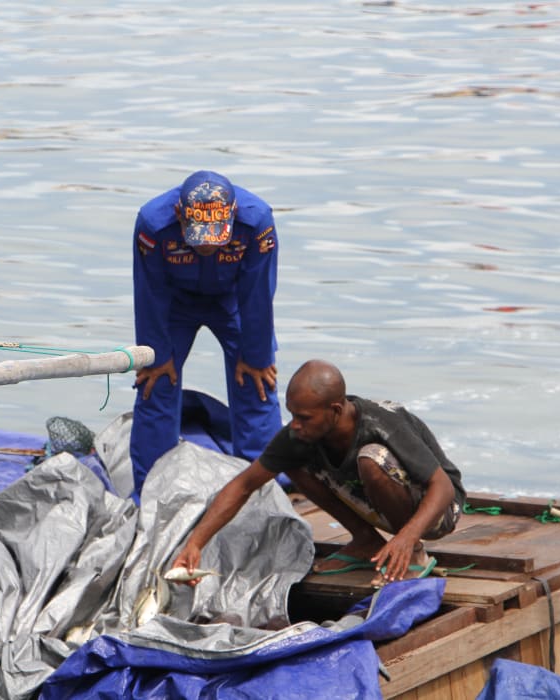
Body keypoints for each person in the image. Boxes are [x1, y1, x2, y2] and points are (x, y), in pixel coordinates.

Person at [172, 359, 465, 587]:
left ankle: (413, 553)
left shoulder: (382, 423)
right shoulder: (301, 433)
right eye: (292, 414)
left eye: (304, 417)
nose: (295, 424)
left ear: (335, 410)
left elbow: (443, 487)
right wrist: (195, 544)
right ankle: (366, 540)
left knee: (371, 459)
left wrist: (406, 537)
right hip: (380, 500)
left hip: (438, 511)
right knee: (293, 460)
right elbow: (243, 485)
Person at [131, 170, 282, 501]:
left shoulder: (258, 222)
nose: (207, 248)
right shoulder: (152, 224)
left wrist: (256, 355)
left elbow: (258, 292)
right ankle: (152, 491)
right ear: (179, 214)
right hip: (174, 304)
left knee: (257, 381)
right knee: (156, 382)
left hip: (233, 300)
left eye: (216, 239)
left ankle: (263, 486)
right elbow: (149, 292)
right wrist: (156, 353)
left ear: (233, 214)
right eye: (199, 238)